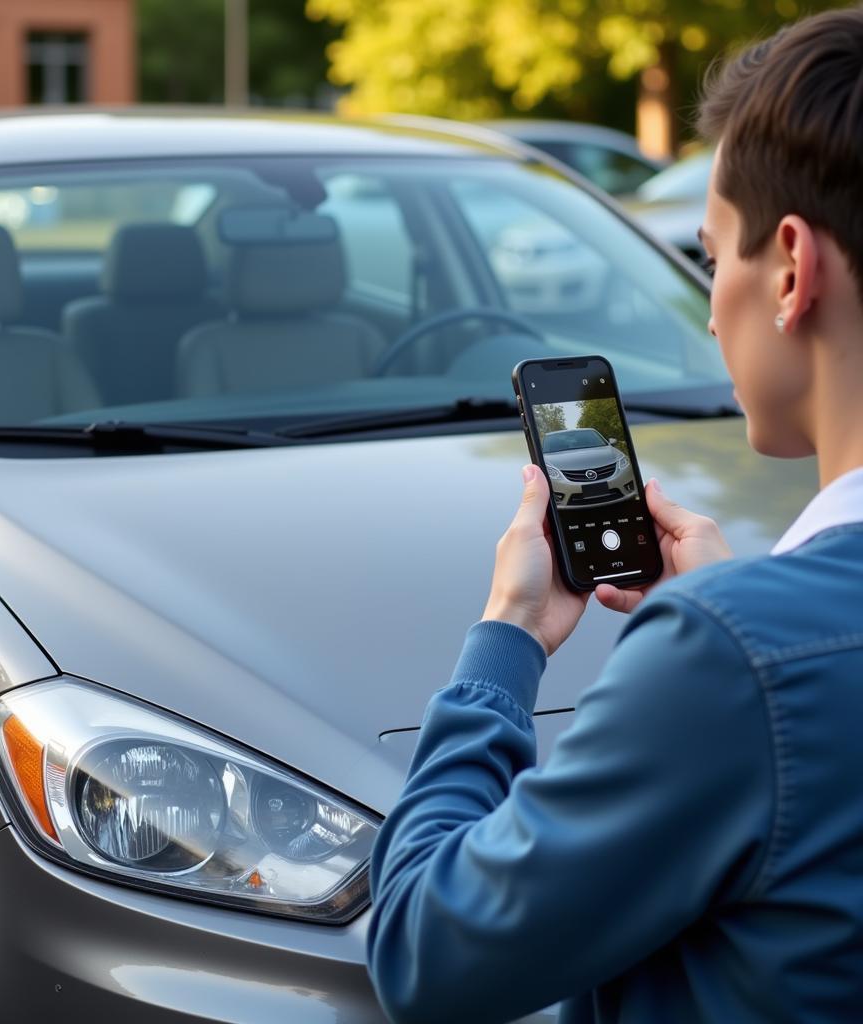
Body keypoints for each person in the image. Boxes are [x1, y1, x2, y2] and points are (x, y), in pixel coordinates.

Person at [367, 9, 863, 1023]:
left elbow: (425, 949)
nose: (709, 298)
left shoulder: (730, 662)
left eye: (711, 253)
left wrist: (505, 639)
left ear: (791, 270)